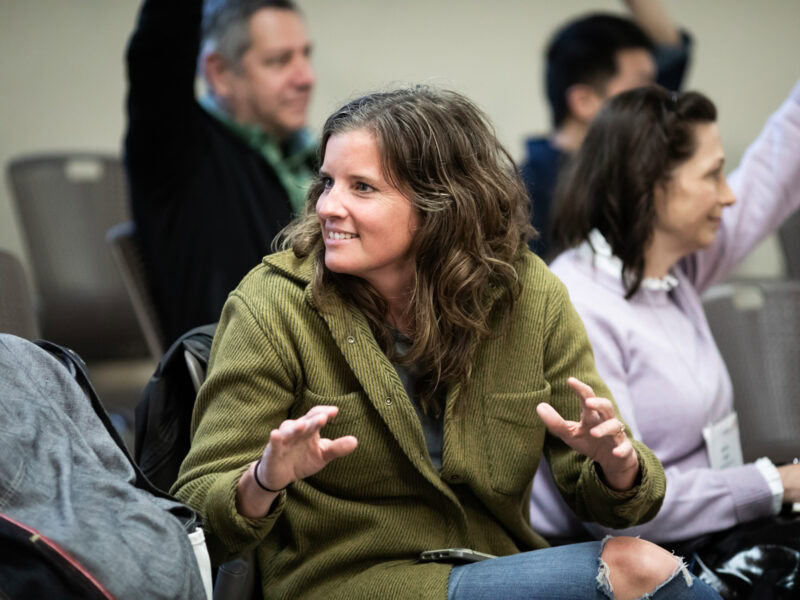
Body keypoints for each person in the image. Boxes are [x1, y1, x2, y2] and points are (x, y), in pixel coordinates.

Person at [172, 86, 721, 599]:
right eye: (327, 183)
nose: (326, 206)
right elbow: (195, 515)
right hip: (352, 583)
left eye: (361, 187)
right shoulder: (273, 304)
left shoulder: (527, 294)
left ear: (444, 204)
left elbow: (622, 500)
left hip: (493, 566)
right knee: (634, 569)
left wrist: (616, 465)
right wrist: (264, 479)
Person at [529, 81, 800, 547]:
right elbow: (625, 510)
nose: (729, 196)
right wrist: (776, 484)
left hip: (708, 535)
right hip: (635, 554)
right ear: (650, 183)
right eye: (713, 175)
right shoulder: (579, 303)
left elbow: (770, 178)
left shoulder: (672, 270)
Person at [124, 0, 316, 346]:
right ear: (219, 72)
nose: (306, 77)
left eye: (305, 55)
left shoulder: (312, 158)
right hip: (240, 375)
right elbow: (158, 51)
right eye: (279, 61)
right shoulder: (179, 150)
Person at [0, 334, 210, 599]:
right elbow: (117, 471)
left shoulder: (23, 354)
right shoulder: (25, 352)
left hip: (113, 563)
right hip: (161, 545)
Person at [521, 0, 691, 258]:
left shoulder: (626, 161)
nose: (660, 101)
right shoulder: (524, 197)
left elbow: (672, 51)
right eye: (642, 85)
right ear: (584, 102)